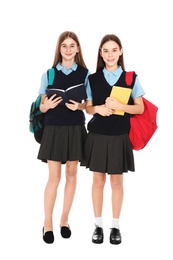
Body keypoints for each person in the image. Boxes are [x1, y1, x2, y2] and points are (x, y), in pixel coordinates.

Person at [81, 34, 145, 244]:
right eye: (105, 50)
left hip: (119, 135)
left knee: (117, 182)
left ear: (120, 52)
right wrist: (97, 108)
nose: (110, 55)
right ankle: (98, 225)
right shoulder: (92, 78)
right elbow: (89, 107)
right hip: (98, 135)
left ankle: (115, 227)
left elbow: (140, 108)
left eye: (114, 50)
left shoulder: (130, 78)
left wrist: (120, 107)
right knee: (98, 181)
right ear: (101, 53)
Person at [37, 31, 90, 244]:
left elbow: (90, 105)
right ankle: (47, 223)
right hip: (54, 129)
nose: (68, 50)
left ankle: (64, 220)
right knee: (54, 178)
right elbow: (41, 105)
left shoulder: (85, 74)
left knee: (71, 175)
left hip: (75, 128)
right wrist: (45, 106)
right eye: (64, 46)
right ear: (59, 49)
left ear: (77, 49)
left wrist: (80, 105)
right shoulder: (48, 74)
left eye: (72, 46)